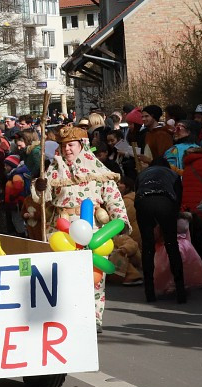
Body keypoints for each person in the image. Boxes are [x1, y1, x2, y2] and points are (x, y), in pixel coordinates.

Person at [36, 124, 129, 329]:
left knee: (94, 276)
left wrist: (120, 220)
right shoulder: (52, 170)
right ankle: (66, 318)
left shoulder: (98, 169)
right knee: (62, 277)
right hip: (62, 231)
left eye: (71, 145)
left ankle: (93, 319)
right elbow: (43, 201)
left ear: (82, 145)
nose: (67, 149)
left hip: (92, 228)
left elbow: (113, 197)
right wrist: (40, 188)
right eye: (64, 145)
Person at [134, 159, 187, 304]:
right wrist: (169, 221)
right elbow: (178, 200)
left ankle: (149, 292)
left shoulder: (143, 174)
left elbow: (136, 193)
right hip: (166, 202)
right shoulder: (173, 174)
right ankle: (180, 291)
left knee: (147, 247)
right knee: (171, 245)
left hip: (144, 202)